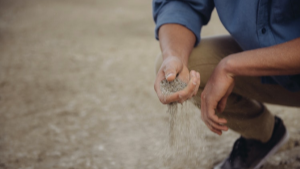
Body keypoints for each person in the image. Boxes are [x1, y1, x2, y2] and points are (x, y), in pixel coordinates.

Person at [152, 0, 300, 169]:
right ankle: (263, 135)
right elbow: (181, 4)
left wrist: (232, 66)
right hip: (270, 68)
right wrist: (174, 55)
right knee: (185, 67)